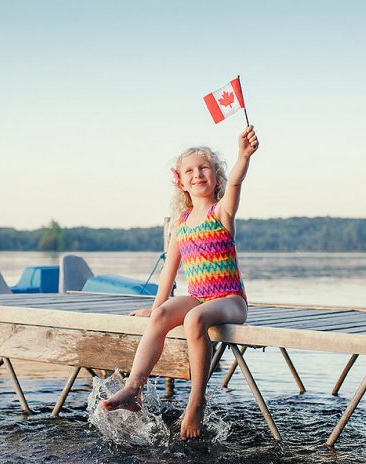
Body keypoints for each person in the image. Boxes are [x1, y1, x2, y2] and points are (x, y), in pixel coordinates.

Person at [101, 126, 259, 440]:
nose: (198, 174)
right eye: (190, 170)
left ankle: (195, 401)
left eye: (204, 168)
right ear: (180, 180)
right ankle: (133, 388)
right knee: (161, 316)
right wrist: (157, 308)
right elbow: (169, 272)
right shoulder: (182, 222)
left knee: (194, 318)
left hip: (230, 299)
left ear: (216, 176)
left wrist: (243, 155)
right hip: (198, 294)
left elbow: (238, 181)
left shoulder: (221, 212)